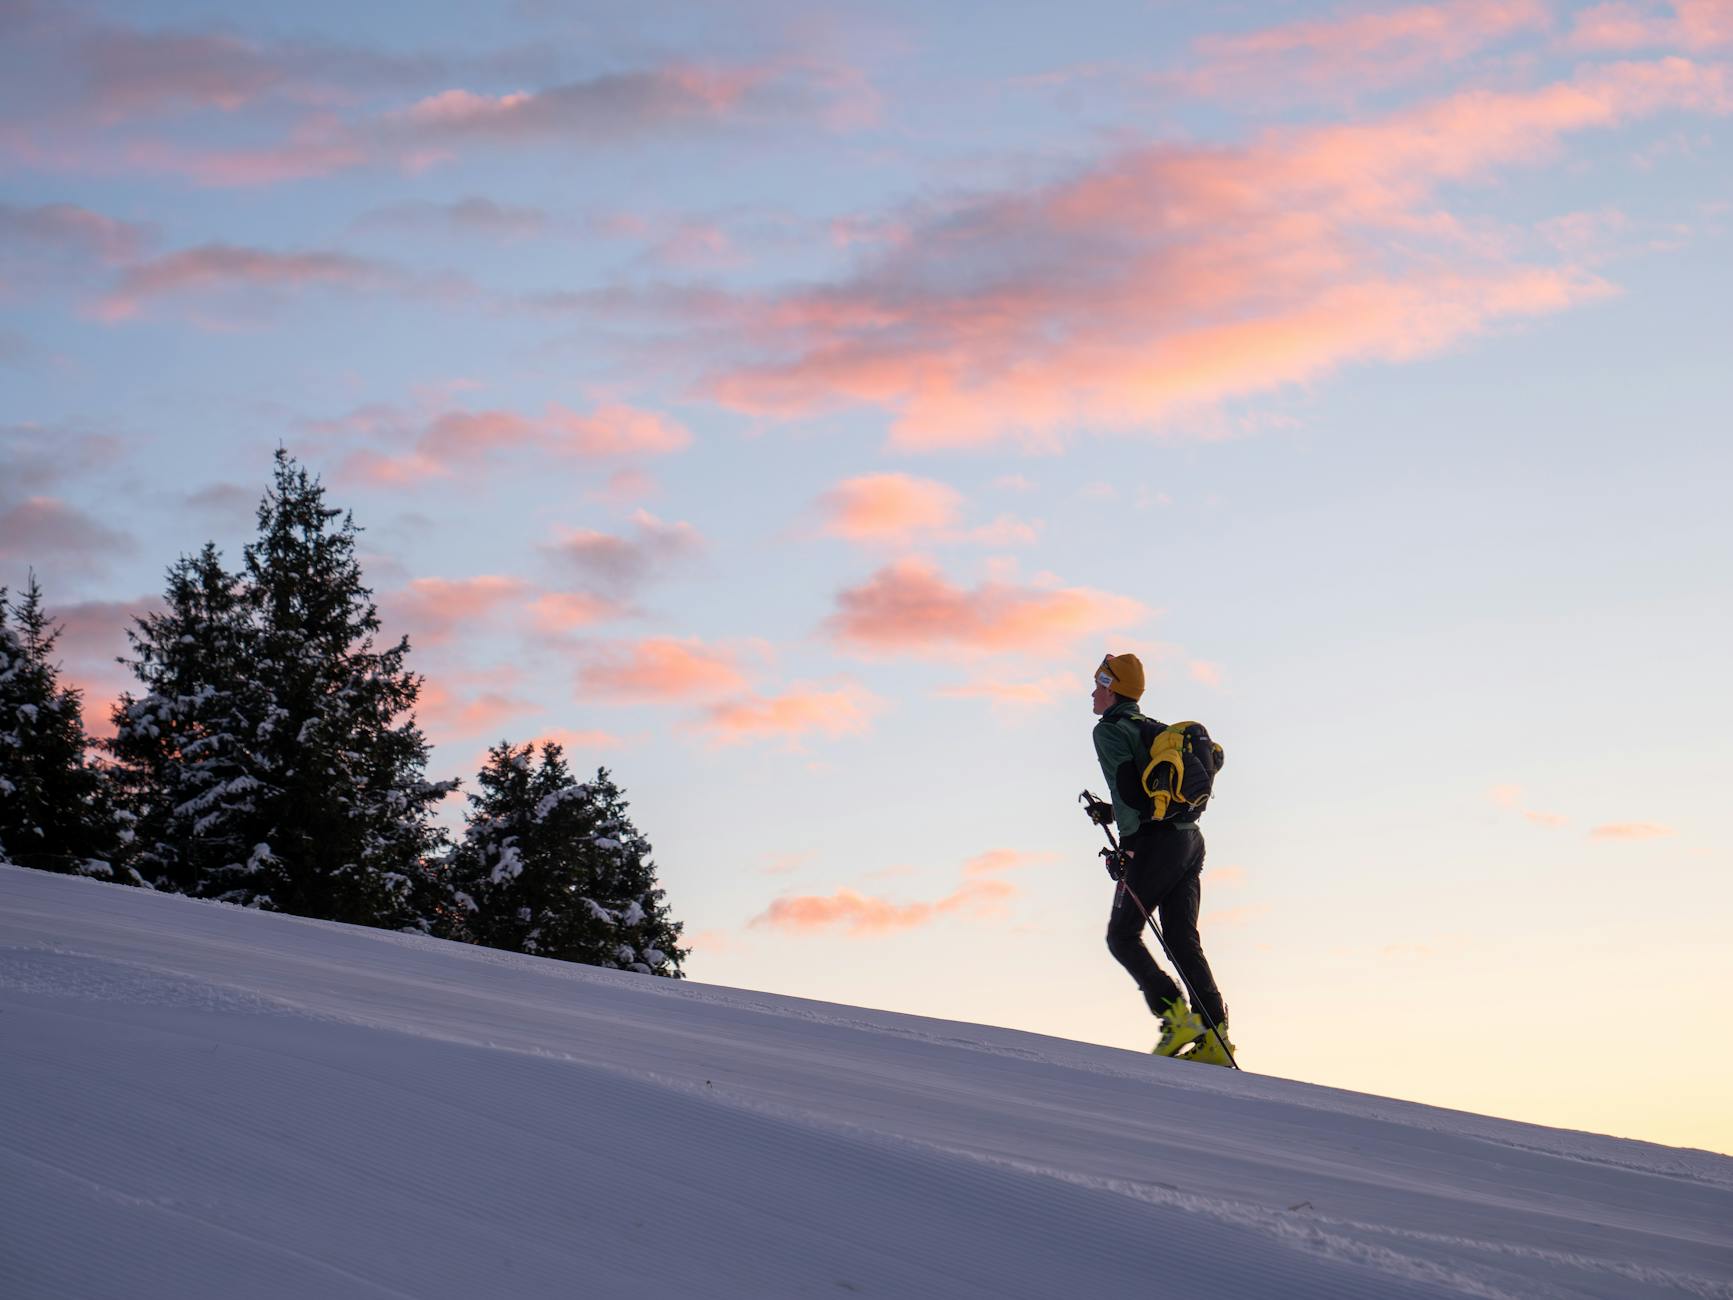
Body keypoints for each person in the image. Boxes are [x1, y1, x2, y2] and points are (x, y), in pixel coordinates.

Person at [1091, 652, 1235, 1066]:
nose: (1093, 691)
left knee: (1122, 936)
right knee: (1181, 940)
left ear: (1112, 688)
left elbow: (1130, 791)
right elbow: (1150, 794)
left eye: (1099, 682)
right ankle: (1215, 1036)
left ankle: (1175, 1019)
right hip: (1189, 841)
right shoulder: (1152, 728)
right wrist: (1111, 813)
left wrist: (1129, 844)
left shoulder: (1110, 731)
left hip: (1153, 843)